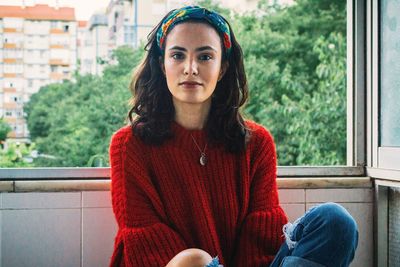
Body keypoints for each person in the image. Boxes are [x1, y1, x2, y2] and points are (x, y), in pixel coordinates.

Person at [108, 5, 358, 267]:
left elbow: (259, 239)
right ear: (162, 64)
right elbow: (145, 243)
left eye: (205, 57)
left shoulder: (256, 142)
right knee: (194, 260)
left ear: (223, 68)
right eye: (178, 55)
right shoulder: (129, 145)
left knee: (334, 221)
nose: (190, 68)